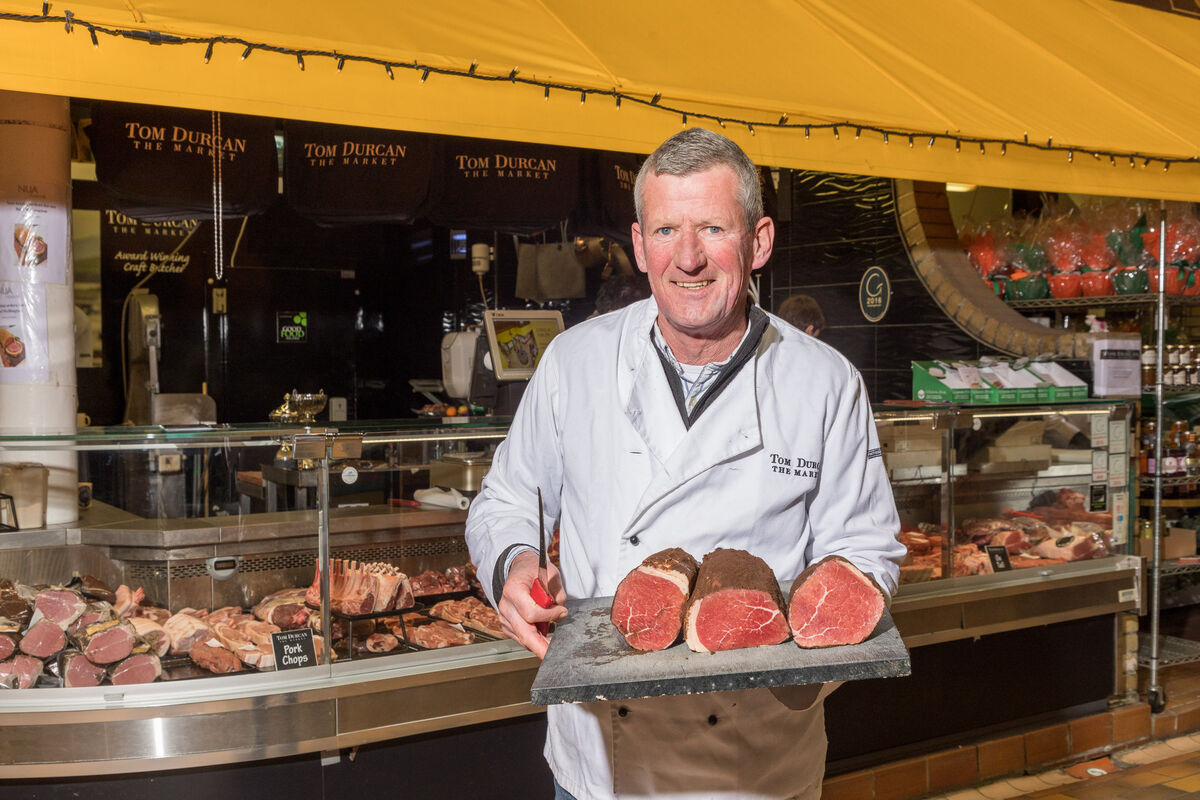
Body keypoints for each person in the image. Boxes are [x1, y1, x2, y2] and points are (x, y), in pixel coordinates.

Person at [465, 128, 904, 800]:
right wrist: (514, 566)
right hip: (597, 765)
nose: (689, 258)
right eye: (666, 230)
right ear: (640, 246)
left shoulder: (825, 382)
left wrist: (796, 662)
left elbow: (867, 552)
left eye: (712, 228)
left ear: (758, 242)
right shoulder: (574, 362)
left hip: (751, 761)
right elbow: (504, 500)